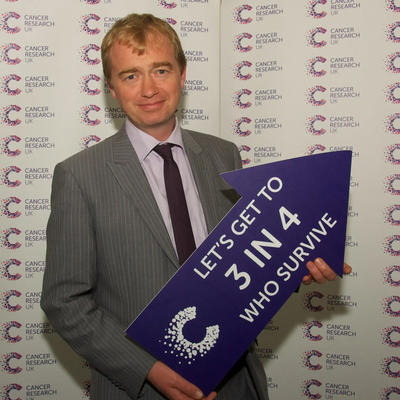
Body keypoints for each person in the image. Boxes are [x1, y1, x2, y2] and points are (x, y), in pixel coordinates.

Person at [41, 13, 351, 400]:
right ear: (112, 88)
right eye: (131, 75)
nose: (149, 88)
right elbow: (63, 301)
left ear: (183, 75)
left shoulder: (224, 155)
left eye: (161, 70)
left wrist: (293, 266)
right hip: (141, 389)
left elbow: (247, 265)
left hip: (236, 380)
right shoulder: (79, 175)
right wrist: (147, 370)